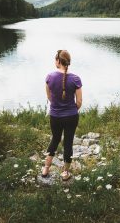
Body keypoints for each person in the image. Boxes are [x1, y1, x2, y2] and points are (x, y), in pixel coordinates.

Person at [42, 49, 82, 181]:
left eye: (55, 59)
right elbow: (79, 102)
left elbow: (49, 97)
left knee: (55, 139)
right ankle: (65, 173)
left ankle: (46, 168)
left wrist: (58, 107)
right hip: (71, 116)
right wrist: (70, 109)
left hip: (55, 116)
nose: (54, 62)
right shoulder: (76, 79)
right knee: (68, 142)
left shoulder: (49, 77)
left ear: (58, 61)